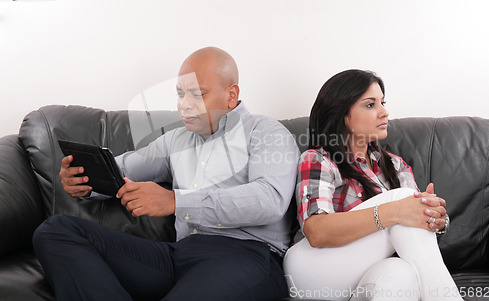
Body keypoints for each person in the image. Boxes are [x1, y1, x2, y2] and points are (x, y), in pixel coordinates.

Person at [33, 47, 300, 301]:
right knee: (56, 231)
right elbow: (122, 169)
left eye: (198, 94)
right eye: (181, 94)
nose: (185, 105)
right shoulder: (176, 140)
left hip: (246, 255)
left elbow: (269, 200)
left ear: (231, 95)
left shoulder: (265, 132)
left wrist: (175, 201)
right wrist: (84, 178)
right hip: (177, 255)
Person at [283, 70, 463, 301]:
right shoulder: (318, 159)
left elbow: (415, 234)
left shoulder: (396, 166)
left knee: (401, 275)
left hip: (364, 275)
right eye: (370, 105)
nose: (384, 112)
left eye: (382, 102)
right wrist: (394, 211)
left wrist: (435, 220)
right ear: (342, 115)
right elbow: (316, 232)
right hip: (310, 270)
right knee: (405, 199)